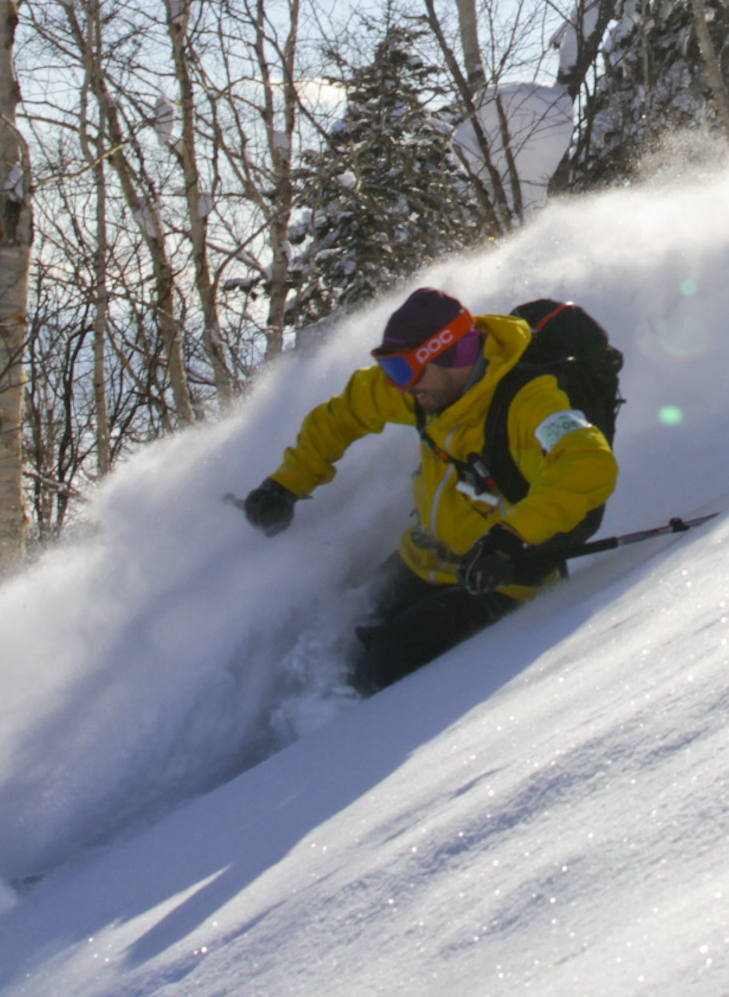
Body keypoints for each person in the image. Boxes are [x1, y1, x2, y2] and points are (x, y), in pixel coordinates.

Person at [240, 287, 618, 694]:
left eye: (403, 371)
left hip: (498, 580)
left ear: (447, 354)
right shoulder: (428, 393)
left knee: (382, 673)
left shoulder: (529, 402)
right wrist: (286, 484)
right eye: (391, 372)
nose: (399, 387)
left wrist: (511, 539)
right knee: (338, 633)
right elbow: (343, 415)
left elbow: (586, 463)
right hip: (422, 559)